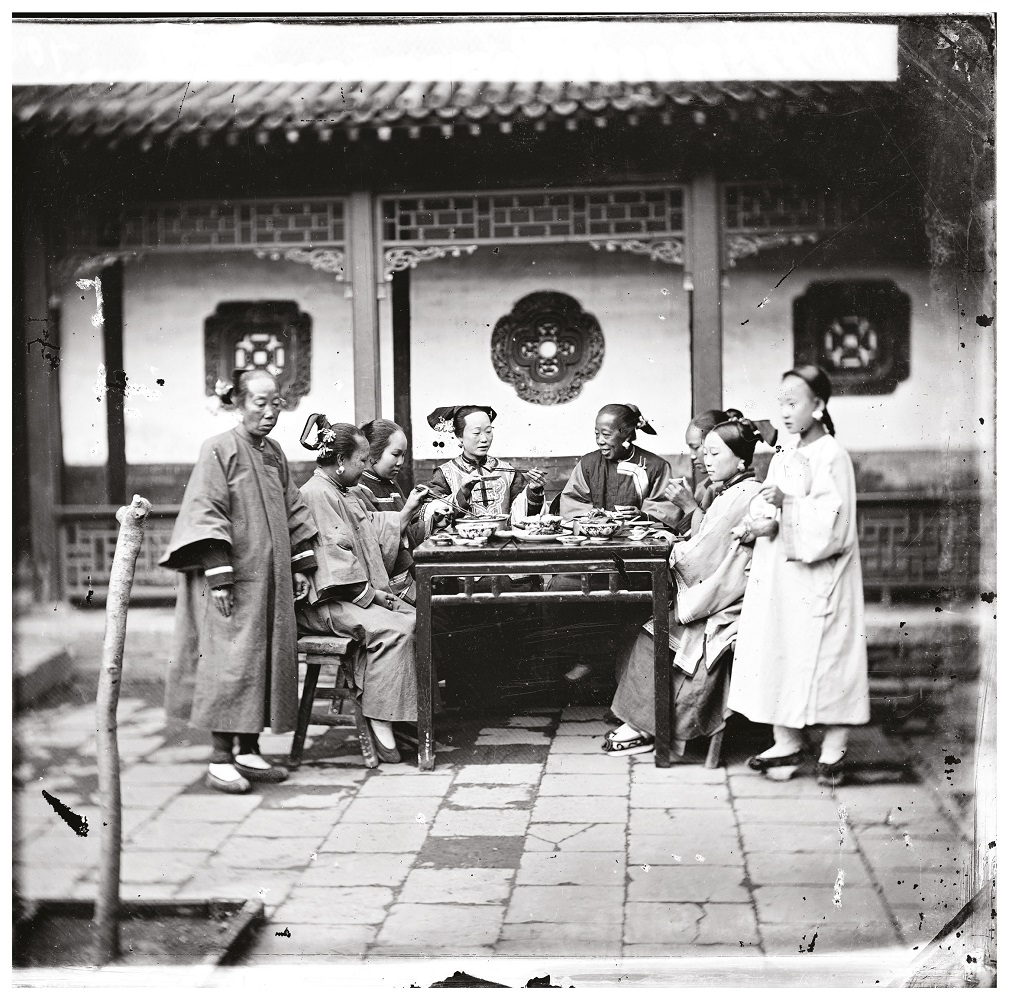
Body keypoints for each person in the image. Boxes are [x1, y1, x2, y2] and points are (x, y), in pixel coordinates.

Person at [161, 369, 318, 794]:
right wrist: (220, 575)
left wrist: (302, 565)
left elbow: (294, 507)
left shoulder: (274, 452)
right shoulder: (219, 448)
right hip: (231, 578)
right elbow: (205, 511)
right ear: (238, 402)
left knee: (264, 659)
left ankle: (248, 749)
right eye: (259, 403)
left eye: (275, 403)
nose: (269, 412)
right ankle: (219, 757)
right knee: (229, 662)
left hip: (271, 580)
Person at [727, 365, 870, 786]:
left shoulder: (832, 455)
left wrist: (785, 509)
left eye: (795, 403)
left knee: (828, 660)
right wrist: (760, 520)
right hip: (782, 577)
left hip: (821, 578)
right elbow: (767, 504)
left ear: (819, 405)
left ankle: (833, 748)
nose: (785, 412)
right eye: (782, 403)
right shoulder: (787, 454)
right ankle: (786, 742)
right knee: (780, 650)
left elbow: (835, 523)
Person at [603, 415, 765, 756]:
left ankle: (647, 726)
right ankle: (643, 722)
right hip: (722, 590)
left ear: (741, 459)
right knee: (648, 627)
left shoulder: (743, 495)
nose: (706, 460)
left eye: (714, 453)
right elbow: (707, 542)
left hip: (727, 600)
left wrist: (673, 546)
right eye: (703, 452)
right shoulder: (731, 491)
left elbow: (703, 555)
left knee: (655, 631)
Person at [295, 414, 428, 764]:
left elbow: (373, 529)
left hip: (352, 592)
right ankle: (379, 717)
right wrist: (372, 596)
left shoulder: (343, 491)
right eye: (363, 460)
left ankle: (396, 714)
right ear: (340, 461)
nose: (368, 465)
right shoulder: (315, 495)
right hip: (326, 601)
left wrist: (410, 512)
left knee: (417, 617)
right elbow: (333, 561)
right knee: (397, 629)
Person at [420, 405, 547, 528]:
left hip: (503, 543)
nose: (484, 439)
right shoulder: (445, 473)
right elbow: (432, 518)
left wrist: (534, 491)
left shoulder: (508, 472)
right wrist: (463, 493)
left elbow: (525, 517)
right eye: (476, 432)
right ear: (459, 436)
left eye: (488, 431)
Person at [559, 403, 681, 527]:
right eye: (597, 434)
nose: (600, 441)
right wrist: (595, 518)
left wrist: (642, 515)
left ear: (626, 436)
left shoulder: (656, 466)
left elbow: (666, 511)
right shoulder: (588, 464)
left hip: (641, 541)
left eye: (606, 435)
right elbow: (572, 503)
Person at [357, 418, 423, 602]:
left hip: (408, 574)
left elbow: (407, 533)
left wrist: (433, 518)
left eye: (404, 455)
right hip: (388, 584)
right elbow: (377, 542)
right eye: (396, 454)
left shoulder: (391, 485)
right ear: (373, 454)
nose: (401, 462)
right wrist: (408, 510)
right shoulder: (361, 489)